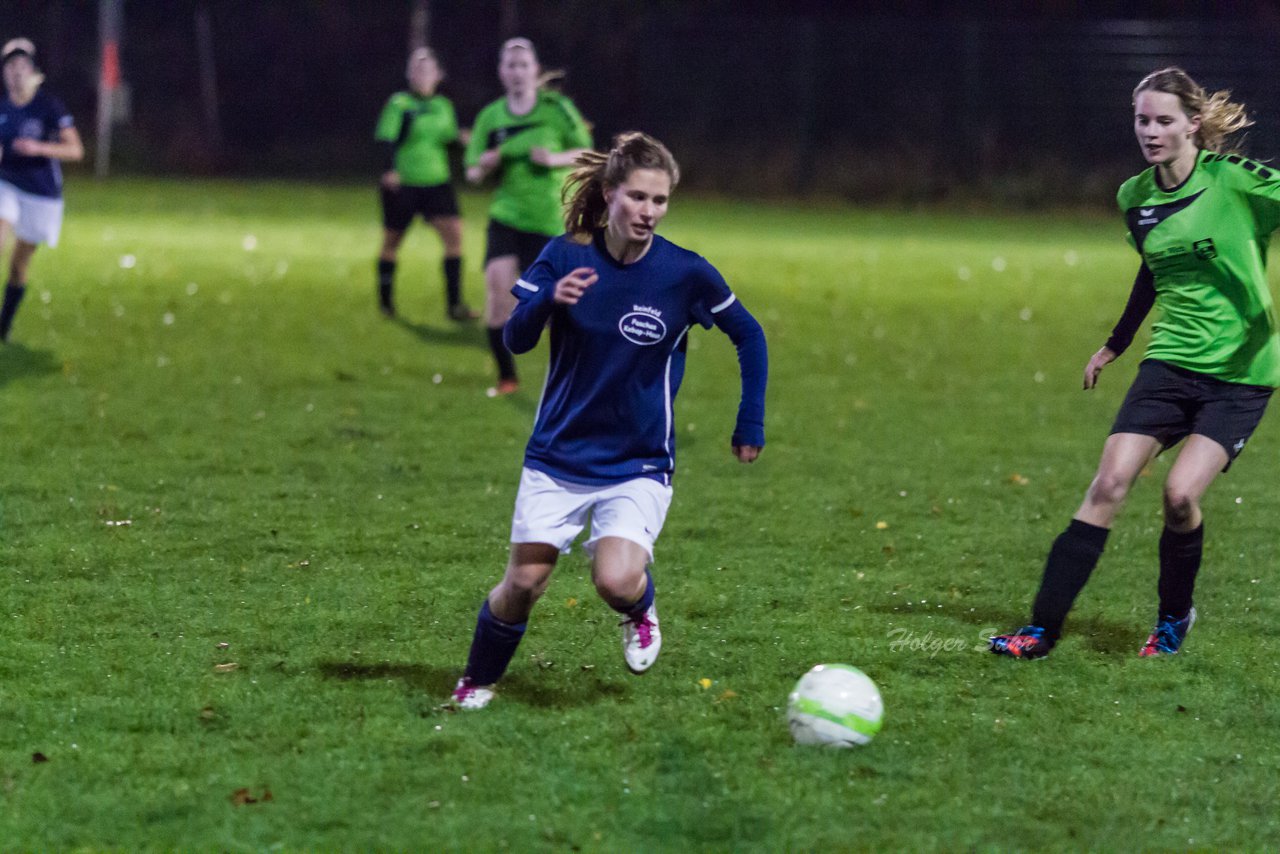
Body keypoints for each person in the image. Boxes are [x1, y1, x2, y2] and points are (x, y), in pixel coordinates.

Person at [450, 132, 768, 709]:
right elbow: (517, 340)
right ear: (610, 194)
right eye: (638, 198)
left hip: (638, 460)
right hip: (558, 455)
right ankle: (476, 680)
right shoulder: (566, 254)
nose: (649, 212)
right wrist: (549, 301)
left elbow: (750, 334)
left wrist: (750, 421)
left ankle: (639, 609)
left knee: (615, 580)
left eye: (660, 200)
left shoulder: (685, 273)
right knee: (524, 583)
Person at [991, 67, 1280, 660]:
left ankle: (1174, 617)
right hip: (1170, 361)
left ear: (1192, 124)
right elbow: (1154, 267)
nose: (1150, 131)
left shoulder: (1235, 182)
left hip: (1241, 372)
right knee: (1108, 483)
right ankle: (1041, 630)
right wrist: (1116, 343)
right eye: (1141, 120)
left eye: (1163, 120)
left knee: (1178, 498)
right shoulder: (1135, 197)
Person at [464, 37, 592, 395]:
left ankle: (572, 381)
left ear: (535, 70)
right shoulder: (490, 116)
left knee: (556, 311)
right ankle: (507, 378)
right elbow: (472, 171)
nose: (518, 72)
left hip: (549, 220)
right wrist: (485, 165)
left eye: (524, 65)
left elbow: (587, 152)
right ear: (502, 72)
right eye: (511, 65)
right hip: (506, 216)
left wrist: (552, 160)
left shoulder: (557, 108)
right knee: (497, 295)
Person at [373, 47, 474, 321]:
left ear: (438, 74)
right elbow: (386, 139)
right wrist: (389, 170)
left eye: (426, 68)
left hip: (437, 183)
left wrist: (462, 140)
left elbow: (447, 139)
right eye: (416, 69)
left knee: (454, 236)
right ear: (409, 74)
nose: (421, 74)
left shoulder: (444, 106)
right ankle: (386, 302)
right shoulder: (400, 104)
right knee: (391, 242)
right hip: (404, 183)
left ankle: (455, 306)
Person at [0, 38, 83, 342]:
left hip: (40, 193)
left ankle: (4, 324)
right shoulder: (2, 109)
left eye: (22, 66)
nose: (16, 72)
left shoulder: (49, 106)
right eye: (10, 66)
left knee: (19, 266)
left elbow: (75, 151)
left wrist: (38, 147)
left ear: (32, 71)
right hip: (5, 184)